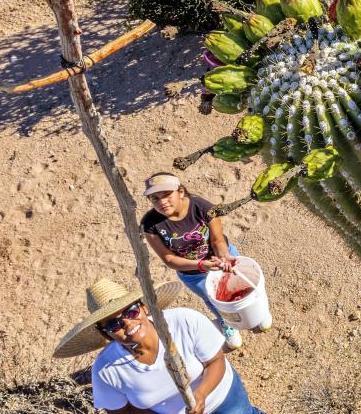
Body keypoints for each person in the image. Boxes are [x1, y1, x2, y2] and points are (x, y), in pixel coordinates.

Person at [52, 277, 265, 414]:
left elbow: (216, 361)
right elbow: (122, 412)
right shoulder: (106, 371)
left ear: (144, 307)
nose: (127, 323)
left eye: (131, 311)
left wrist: (200, 396)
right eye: (113, 323)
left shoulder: (184, 321)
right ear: (104, 333)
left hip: (223, 400)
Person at [140, 172, 249, 350]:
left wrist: (224, 256)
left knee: (240, 286)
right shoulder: (150, 224)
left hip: (222, 257)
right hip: (193, 274)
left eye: (167, 194)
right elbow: (169, 259)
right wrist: (199, 265)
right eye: (155, 198)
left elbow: (217, 240)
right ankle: (227, 323)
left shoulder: (201, 207)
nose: (162, 202)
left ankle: (253, 314)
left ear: (181, 192)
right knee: (213, 300)